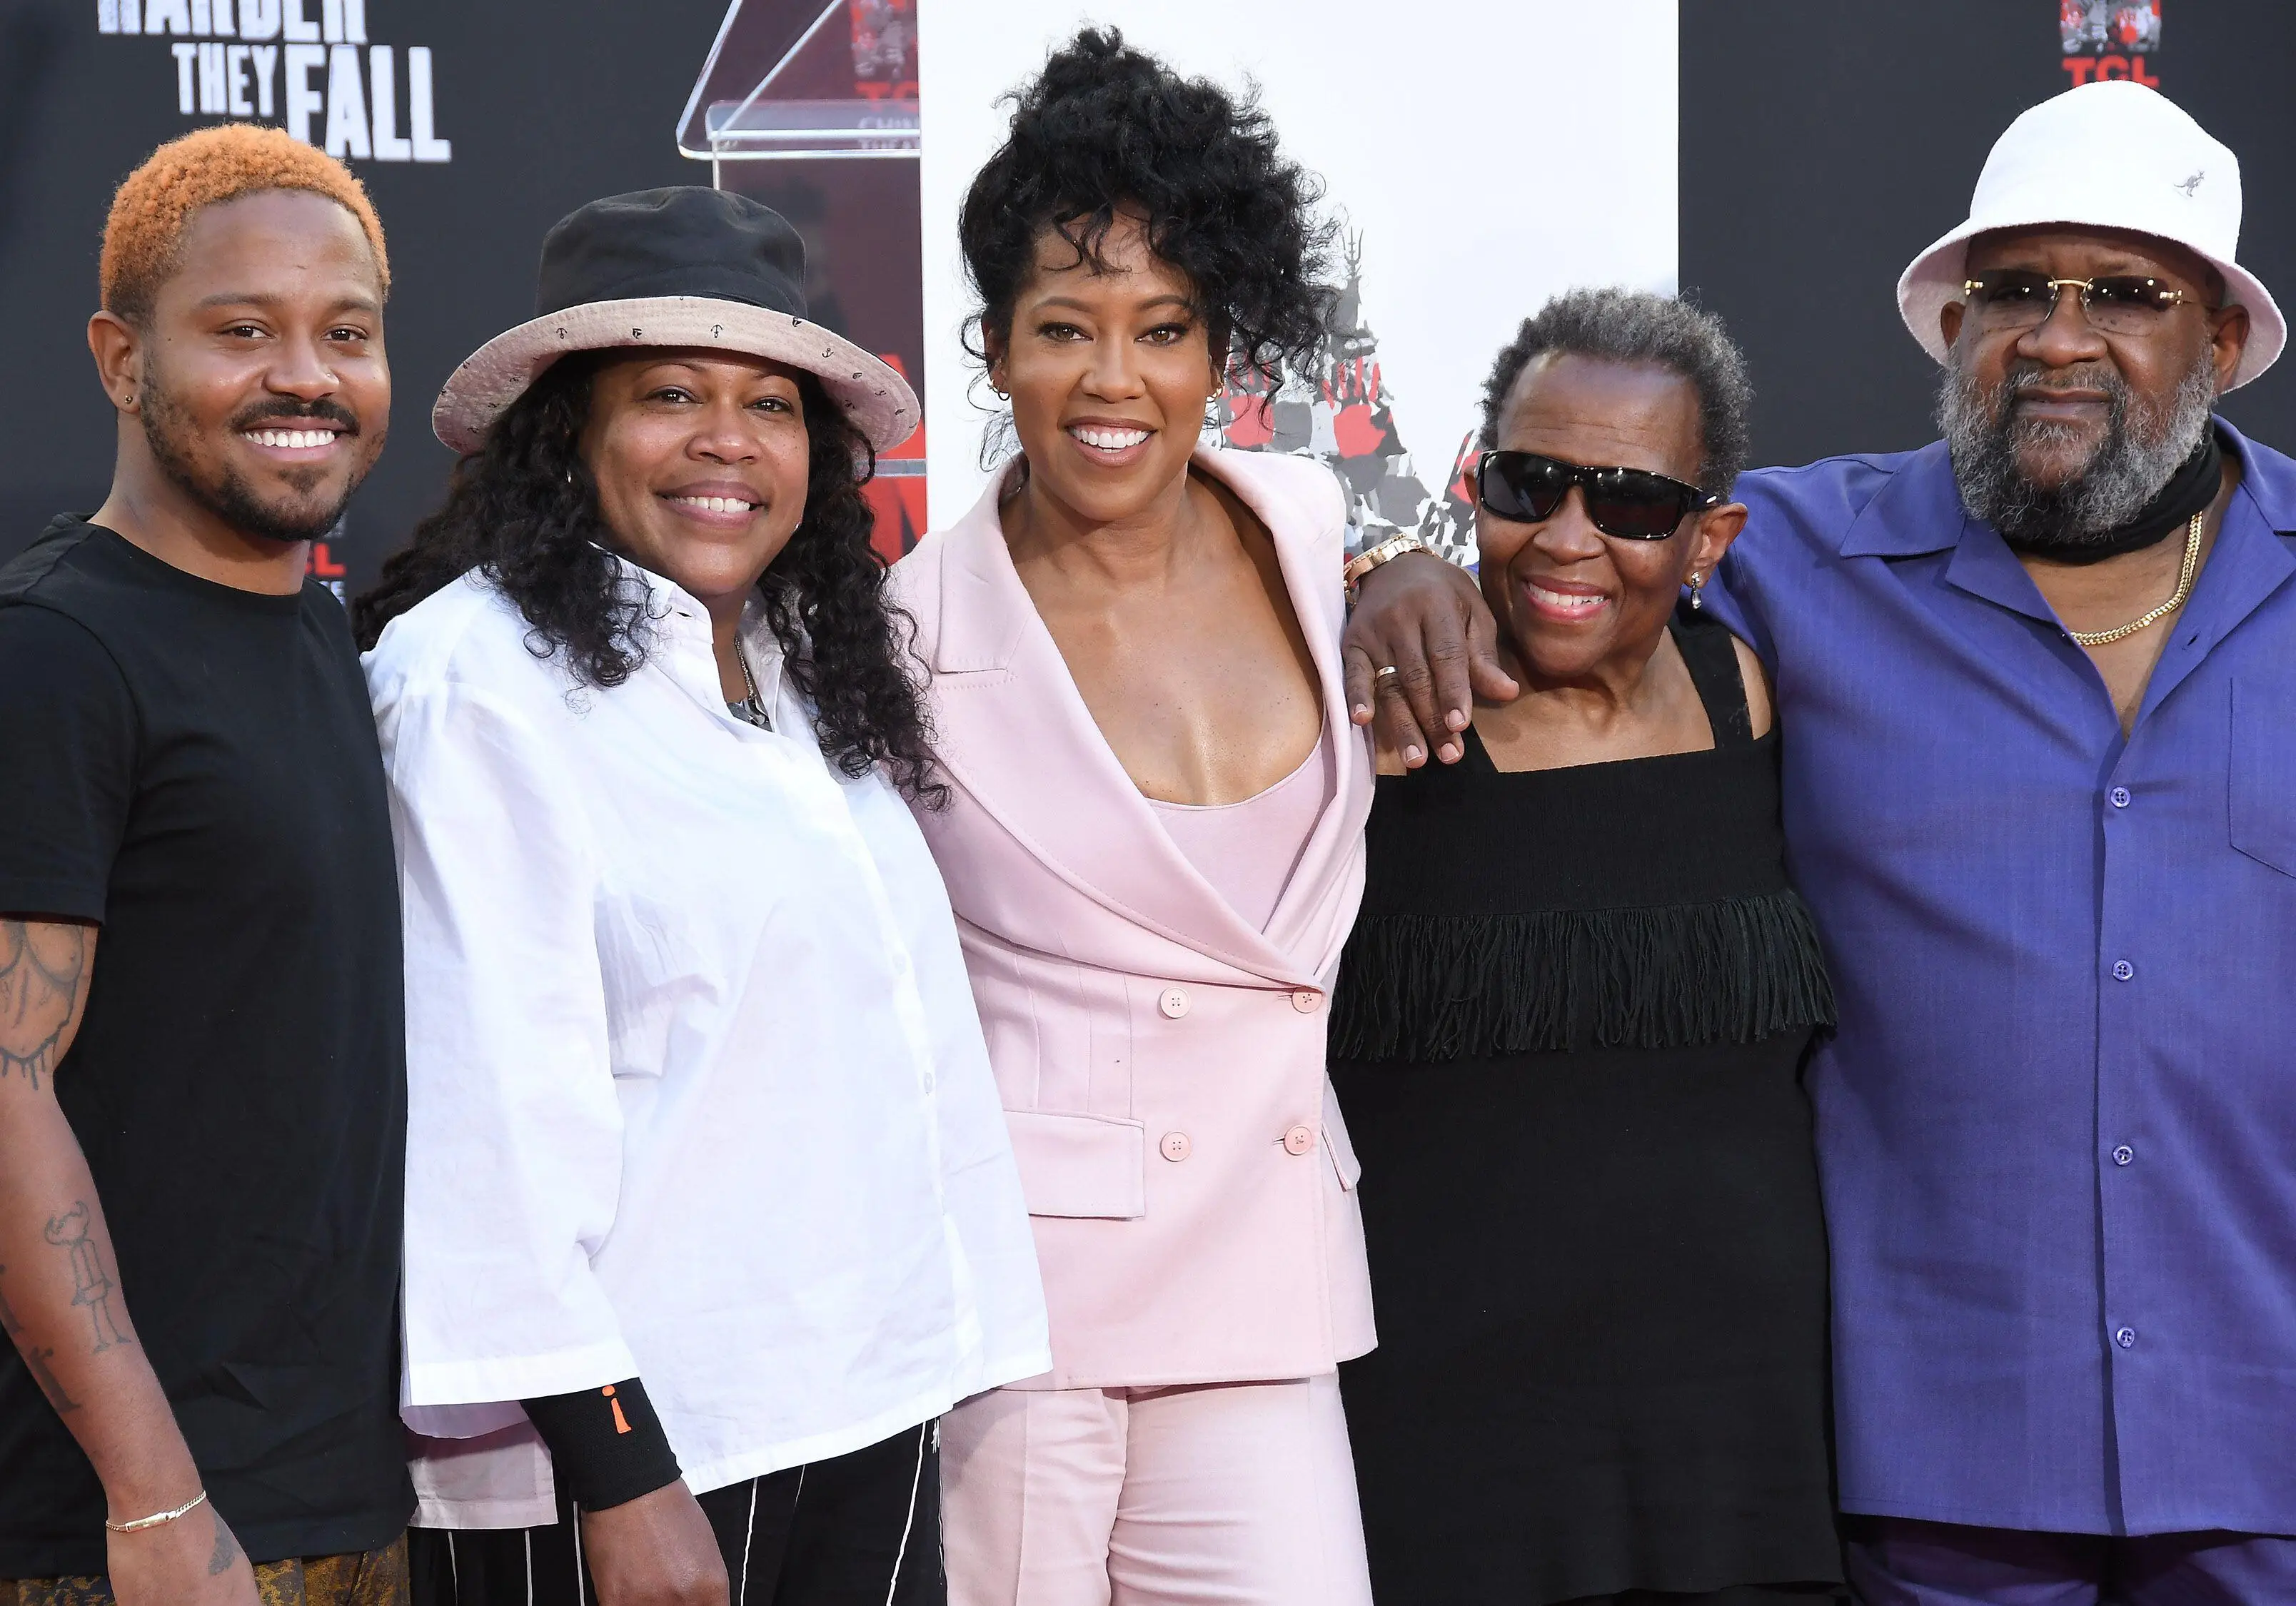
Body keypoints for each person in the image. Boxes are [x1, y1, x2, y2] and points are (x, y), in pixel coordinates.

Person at [1346, 81, 2296, 1602]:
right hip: (1937, 1471)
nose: (2059, 337)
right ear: (1955, 329)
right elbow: (1583, 551)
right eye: (2013, 294)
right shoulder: (1797, 555)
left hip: (2265, 1434)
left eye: (2126, 294)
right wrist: (1390, 563)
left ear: (2224, 343)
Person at [353, 186, 1048, 1606]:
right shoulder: (471, 690)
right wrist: (622, 1479)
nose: (730, 444)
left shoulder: (805, 671)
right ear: (569, 431)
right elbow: (483, 1133)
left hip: (864, 1414)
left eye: (774, 405)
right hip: (630, 1466)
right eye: (671, 393)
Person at [887, 32, 1379, 1606]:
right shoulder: (902, 636)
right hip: (1026, 1319)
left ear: (1221, 347)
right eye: (1064, 330)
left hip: (1266, 1273)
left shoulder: (1307, 532)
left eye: (1163, 329)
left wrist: (1419, 574)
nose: (1115, 382)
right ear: (993, 347)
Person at [1330, 288, 1843, 1605]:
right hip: (1445, 1457)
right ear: (1473, 484)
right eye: (1530, 482)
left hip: (1747, 1453)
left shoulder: (1758, 701)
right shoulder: (1381, 718)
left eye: (1631, 504)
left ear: (1708, 537)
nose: (1570, 538)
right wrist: (1375, 570)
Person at [0, 126, 411, 1605]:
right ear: (122, 358)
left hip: (349, 1502)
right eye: (243, 331)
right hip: (138, 1539)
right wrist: (157, 1499)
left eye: (345, 333)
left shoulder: (325, 637)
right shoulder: (56, 649)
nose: (305, 374)